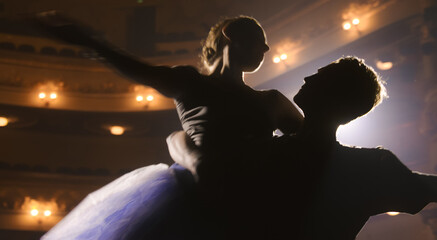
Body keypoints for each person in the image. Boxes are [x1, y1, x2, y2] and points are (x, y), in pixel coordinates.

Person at [170, 57, 437, 240]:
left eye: (321, 74)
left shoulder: (268, 149)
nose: (308, 74)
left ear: (334, 97)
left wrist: (192, 154)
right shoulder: (367, 170)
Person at [35, 12, 302, 240]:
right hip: (203, 195)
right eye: (259, 39)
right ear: (230, 33)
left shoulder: (273, 100)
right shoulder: (190, 82)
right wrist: (89, 42)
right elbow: (134, 68)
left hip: (256, 199)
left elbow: (315, 138)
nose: (266, 49)